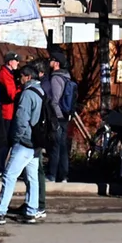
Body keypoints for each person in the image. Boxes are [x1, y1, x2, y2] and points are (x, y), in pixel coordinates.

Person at [0, 64, 47, 224]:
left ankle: (0, 212)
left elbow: (21, 120)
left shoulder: (27, 94)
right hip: (37, 142)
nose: (20, 79)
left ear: (28, 77)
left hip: (25, 141)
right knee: (32, 177)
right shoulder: (41, 91)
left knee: (9, 176)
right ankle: (32, 210)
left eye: (22, 76)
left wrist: (16, 138)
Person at [44, 52, 75, 183]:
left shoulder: (56, 78)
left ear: (57, 63)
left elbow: (54, 101)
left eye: (51, 59)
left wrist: (57, 116)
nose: (49, 61)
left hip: (59, 117)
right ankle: (63, 176)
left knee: (55, 147)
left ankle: (52, 175)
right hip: (65, 116)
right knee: (62, 147)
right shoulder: (67, 77)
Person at [0, 52, 21, 175]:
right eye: (16, 60)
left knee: (7, 140)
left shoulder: (10, 74)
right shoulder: (5, 74)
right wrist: (21, 88)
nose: (18, 63)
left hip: (9, 111)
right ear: (10, 62)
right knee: (4, 140)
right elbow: (11, 94)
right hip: (6, 111)